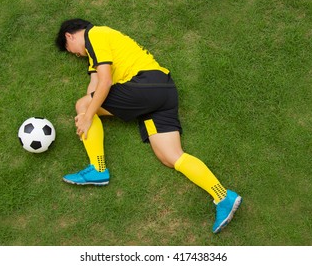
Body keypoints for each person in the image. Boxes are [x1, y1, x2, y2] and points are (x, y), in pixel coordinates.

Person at [55, 18, 242, 233]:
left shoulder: (94, 35)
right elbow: (94, 86)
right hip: (161, 92)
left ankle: (98, 168)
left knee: (83, 105)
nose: (76, 54)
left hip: (145, 84)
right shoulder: (93, 54)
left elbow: (105, 82)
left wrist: (87, 113)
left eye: (71, 50)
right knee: (170, 156)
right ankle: (223, 196)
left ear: (70, 36)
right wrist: (88, 110)